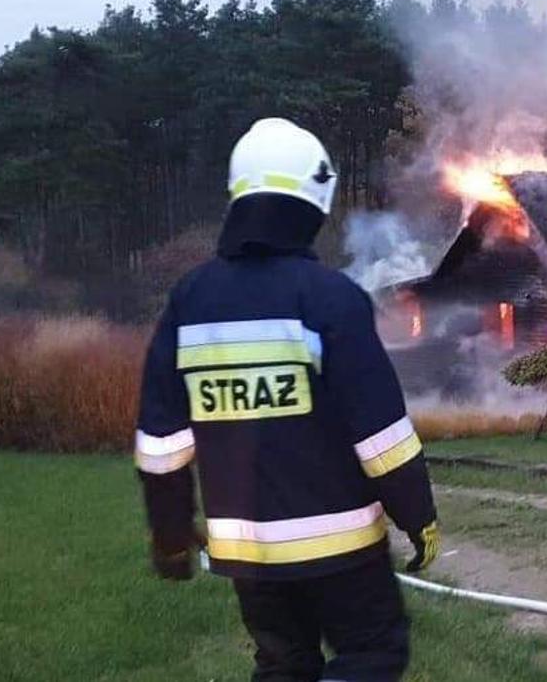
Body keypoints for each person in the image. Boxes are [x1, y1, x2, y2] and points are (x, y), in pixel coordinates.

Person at [135, 118, 441, 682]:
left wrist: (171, 535)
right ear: (314, 199)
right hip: (342, 546)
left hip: (249, 556)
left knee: (284, 664)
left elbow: (161, 445)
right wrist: (417, 517)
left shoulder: (190, 300)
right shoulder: (329, 298)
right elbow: (381, 436)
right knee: (373, 656)